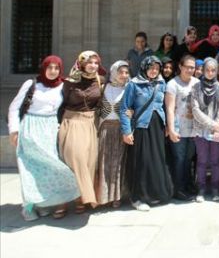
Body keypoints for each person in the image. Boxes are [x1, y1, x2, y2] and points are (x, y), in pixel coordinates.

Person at [7, 56, 80, 221]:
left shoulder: (62, 85)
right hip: (30, 128)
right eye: (50, 67)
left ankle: (43, 203)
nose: (53, 71)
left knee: (48, 168)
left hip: (50, 129)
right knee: (29, 169)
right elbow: (14, 107)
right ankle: (28, 207)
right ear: (44, 68)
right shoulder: (32, 84)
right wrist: (14, 130)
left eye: (56, 68)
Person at [120, 56, 173, 211]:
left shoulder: (161, 83)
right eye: (151, 68)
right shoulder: (133, 84)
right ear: (144, 67)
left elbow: (164, 106)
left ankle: (155, 194)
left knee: (156, 160)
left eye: (157, 68)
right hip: (141, 128)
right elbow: (124, 108)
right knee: (141, 162)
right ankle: (138, 197)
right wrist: (126, 131)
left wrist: (169, 126)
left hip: (157, 128)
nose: (154, 71)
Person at [59, 51, 104, 213]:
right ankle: (64, 200)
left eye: (96, 63)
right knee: (75, 159)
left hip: (91, 124)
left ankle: (81, 198)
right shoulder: (69, 82)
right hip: (72, 122)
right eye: (89, 62)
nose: (93, 65)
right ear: (82, 63)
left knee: (89, 162)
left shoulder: (100, 81)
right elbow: (61, 103)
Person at [95, 60, 130, 208]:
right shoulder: (104, 87)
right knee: (104, 162)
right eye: (121, 72)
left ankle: (117, 196)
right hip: (104, 129)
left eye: (126, 72)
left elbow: (133, 106)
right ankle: (103, 196)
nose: (124, 75)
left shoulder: (129, 89)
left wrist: (132, 112)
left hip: (121, 130)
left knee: (119, 164)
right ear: (114, 72)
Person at [165, 55, 199, 201]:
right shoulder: (172, 84)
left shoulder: (197, 83)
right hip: (179, 128)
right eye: (187, 67)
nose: (190, 70)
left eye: (193, 67)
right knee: (179, 159)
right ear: (180, 66)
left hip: (193, 129)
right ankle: (177, 189)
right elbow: (170, 108)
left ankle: (187, 185)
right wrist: (171, 129)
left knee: (188, 159)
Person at [191, 57, 219, 202]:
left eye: (213, 70)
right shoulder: (196, 87)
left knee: (216, 161)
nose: (210, 73)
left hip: (216, 130)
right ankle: (201, 189)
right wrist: (212, 124)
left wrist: (218, 126)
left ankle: (215, 189)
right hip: (201, 130)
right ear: (203, 70)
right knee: (202, 161)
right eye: (207, 70)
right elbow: (195, 109)